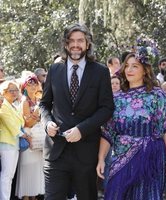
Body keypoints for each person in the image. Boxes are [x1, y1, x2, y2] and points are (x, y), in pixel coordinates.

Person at [39, 23, 114, 200]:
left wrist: (82, 129)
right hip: (56, 150)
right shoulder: (55, 69)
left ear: (87, 44)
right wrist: (47, 123)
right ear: (66, 44)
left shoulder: (101, 72)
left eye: (80, 40)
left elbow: (107, 108)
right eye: (71, 41)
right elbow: (44, 104)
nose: (75, 45)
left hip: (86, 152)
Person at [96, 52, 166, 200]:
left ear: (145, 70)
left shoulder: (157, 95)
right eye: (126, 66)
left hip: (150, 157)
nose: (129, 70)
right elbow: (108, 132)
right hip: (120, 156)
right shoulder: (116, 98)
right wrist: (101, 158)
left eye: (135, 66)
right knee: (115, 194)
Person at [15, 75, 44, 200]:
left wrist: (37, 115)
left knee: (36, 171)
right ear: (24, 86)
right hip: (28, 138)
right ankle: (26, 197)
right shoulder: (25, 101)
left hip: (39, 140)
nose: (32, 86)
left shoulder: (38, 100)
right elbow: (27, 123)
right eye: (29, 84)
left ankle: (34, 197)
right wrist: (37, 113)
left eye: (35, 83)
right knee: (27, 170)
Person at [0, 80, 24, 200]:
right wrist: (24, 135)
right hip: (6, 144)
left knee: (9, 176)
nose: (14, 92)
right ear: (4, 92)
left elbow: (21, 122)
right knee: (6, 175)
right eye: (11, 90)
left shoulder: (13, 106)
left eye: (16, 90)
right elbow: (13, 127)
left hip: (14, 144)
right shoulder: (3, 106)